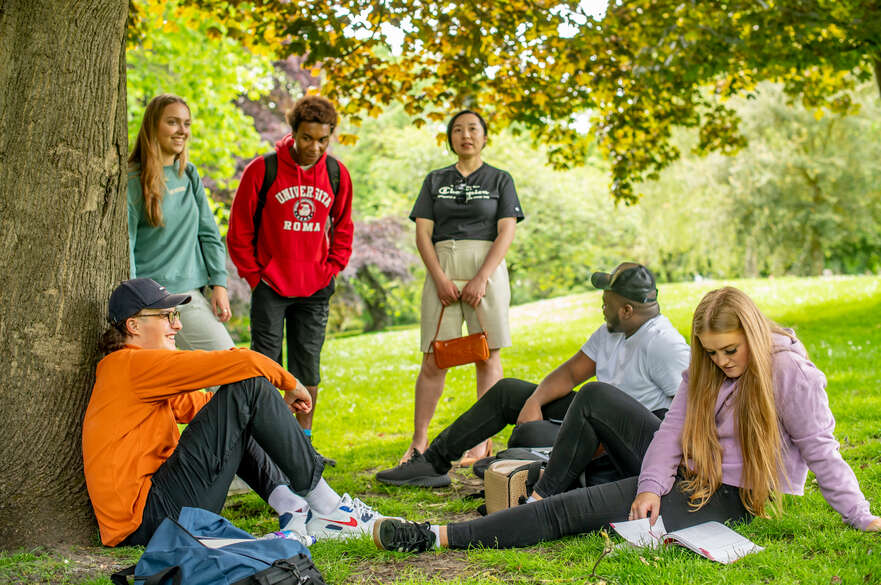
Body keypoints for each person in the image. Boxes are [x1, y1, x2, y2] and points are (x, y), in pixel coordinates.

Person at [372, 286, 881, 553]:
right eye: (712, 352)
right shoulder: (706, 367)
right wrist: (652, 485)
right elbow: (670, 430)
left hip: (730, 494)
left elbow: (822, 449)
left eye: (730, 350)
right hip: (688, 471)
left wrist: (862, 517)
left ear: (752, 332)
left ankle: (434, 536)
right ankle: (523, 493)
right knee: (598, 401)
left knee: (570, 513)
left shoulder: (789, 371)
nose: (723, 361)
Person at [82, 278, 381, 548]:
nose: (178, 326)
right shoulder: (130, 366)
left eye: (176, 316)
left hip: (155, 512)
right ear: (133, 325)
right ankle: (329, 509)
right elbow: (237, 363)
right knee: (248, 387)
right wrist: (289, 384)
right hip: (149, 519)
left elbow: (210, 411)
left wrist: (265, 412)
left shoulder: (134, 372)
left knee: (245, 403)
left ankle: (294, 509)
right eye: (166, 316)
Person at [377, 263, 690, 489]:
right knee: (509, 392)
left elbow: (688, 416)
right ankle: (432, 463)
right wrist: (534, 401)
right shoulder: (612, 332)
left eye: (607, 302)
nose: (602, 307)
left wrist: (600, 448)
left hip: (625, 441)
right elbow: (569, 373)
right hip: (593, 416)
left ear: (627, 310)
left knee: (528, 439)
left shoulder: (663, 344)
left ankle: (522, 467)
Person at [227, 95, 353, 438]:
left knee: (307, 367)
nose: (315, 147)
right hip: (271, 286)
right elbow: (239, 230)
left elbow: (343, 226)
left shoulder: (336, 173)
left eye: (323, 139)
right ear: (294, 132)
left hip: (315, 288)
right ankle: (267, 443)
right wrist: (255, 276)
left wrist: (332, 267)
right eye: (307, 138)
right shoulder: (263, 170)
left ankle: (303, 444)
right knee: (267, 367)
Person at [404, 109, 525, 465]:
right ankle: (418, 442)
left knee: (487, 355)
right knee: (434, 356)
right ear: (450, 138)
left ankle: (480, 443)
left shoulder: (500, 180)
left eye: (473, 129)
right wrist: (440, 278)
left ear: (485, 137)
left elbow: (507, 231)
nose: (465, 135)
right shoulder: (435, 180)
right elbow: (422, 233)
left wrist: (482, 277)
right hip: (442, 266)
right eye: (458, 130)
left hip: (485, 268)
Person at [128, 94, 234, 352]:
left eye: (186, 124)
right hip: (151, 302)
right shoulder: (133, 180)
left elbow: (208, 233)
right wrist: (137, 304)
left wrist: (219, 283)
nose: (182, 131)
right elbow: (126, 245)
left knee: (231, 371)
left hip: (189, 295)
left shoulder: (188, 174)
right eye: (173, 122)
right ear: (153, 126)